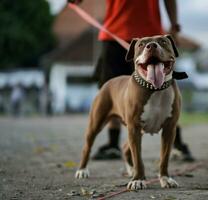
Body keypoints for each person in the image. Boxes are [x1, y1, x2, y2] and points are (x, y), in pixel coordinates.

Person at [69, 0, 194, 161]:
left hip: (150, 37)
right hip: (114, 34)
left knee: (163, 92)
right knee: (113, 93)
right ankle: (113, 144)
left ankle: (176, 144)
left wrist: (174, 26)